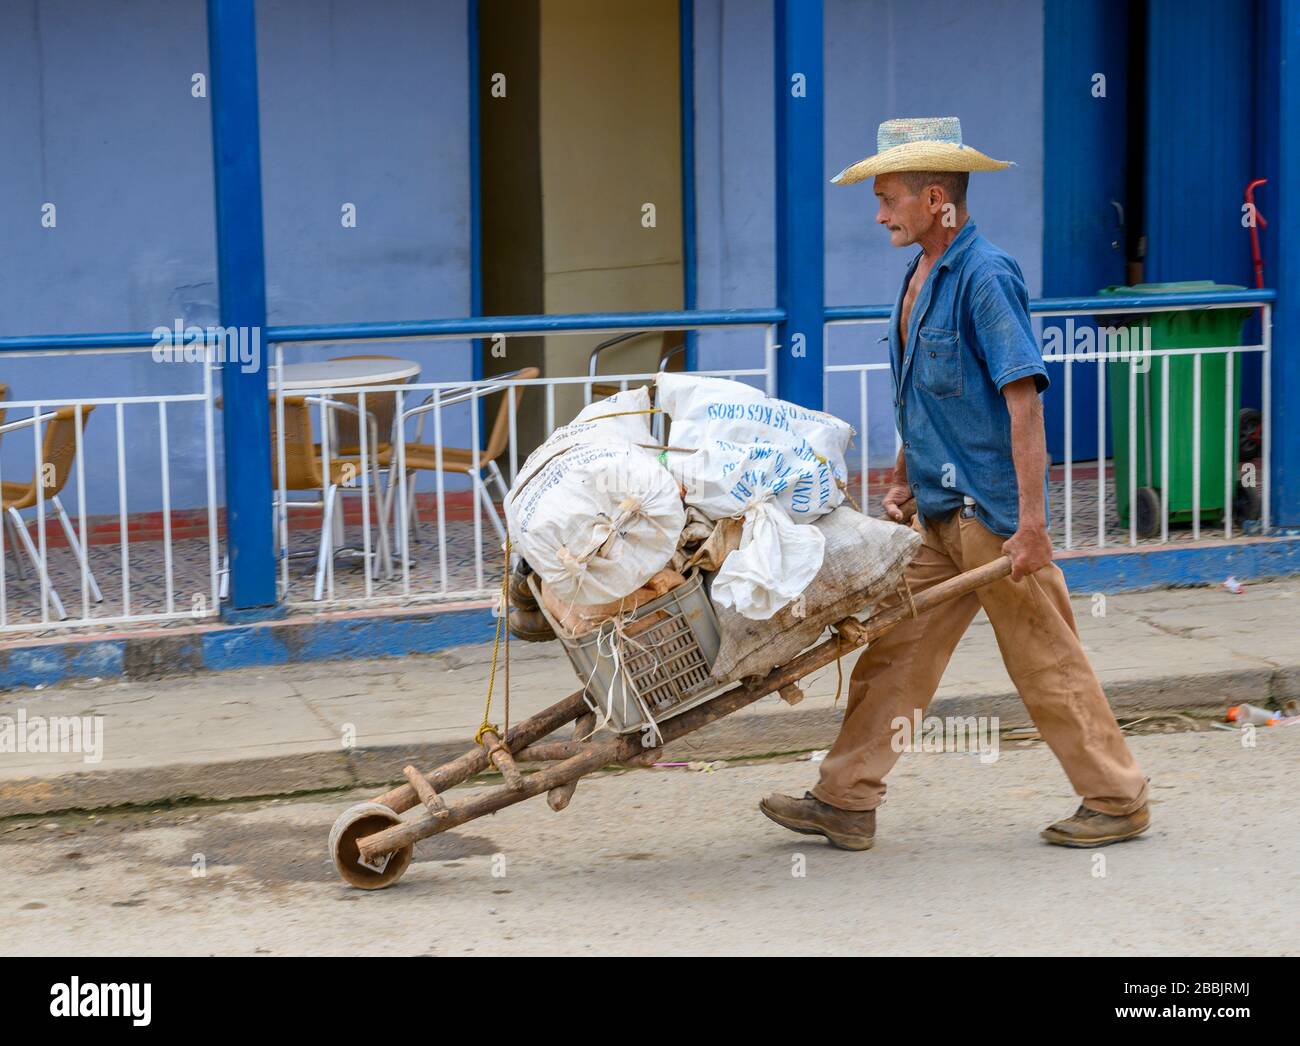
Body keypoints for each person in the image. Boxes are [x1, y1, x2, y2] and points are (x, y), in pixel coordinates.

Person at [760, 117, 1150, 851]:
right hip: (939, 517)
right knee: (894, 653)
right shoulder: (918, 277)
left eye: (887, 199)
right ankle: (845, 799)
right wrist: (905, 477)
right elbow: (925, 395)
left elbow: (1022, 401)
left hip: (994, 520)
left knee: (1046, 659)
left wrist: (1033, 523)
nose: (878, 215)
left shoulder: (985, 276)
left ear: (935, 197)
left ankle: (1117, 796)